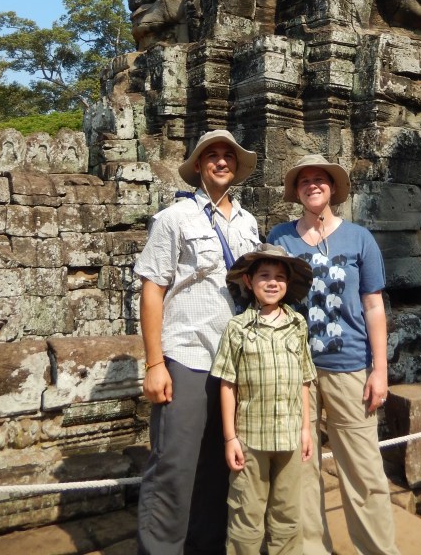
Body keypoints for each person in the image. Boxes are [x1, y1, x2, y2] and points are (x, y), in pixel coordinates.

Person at [135, 129, 260, 555]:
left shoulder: (248, 223)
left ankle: (205, 547)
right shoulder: (174, 219)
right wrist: (155, 364)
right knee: (174, 464)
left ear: (237, 167)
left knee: (218, 467)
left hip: (234, 364)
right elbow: (152, 287)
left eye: (229, 155)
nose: (222, 161)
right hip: (187, 356)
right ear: (199, 165)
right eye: (213, 155)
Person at [268, 154, 400, 555]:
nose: (312, 185)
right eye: (304, 180)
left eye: (320, 179)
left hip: (349, 367)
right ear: (296, 191)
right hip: (295, 370)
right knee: (300, 472)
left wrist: (380, 370)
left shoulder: (359, 238)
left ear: (333, 188)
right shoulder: (280, 238)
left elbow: (374, 305)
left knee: (364, 471)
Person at [211, 243, 316, 555]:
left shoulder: (298, 325)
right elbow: (227, 383)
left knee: (287, 515)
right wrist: (230, 438)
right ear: (249, 281)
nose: (273, 283)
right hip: (251, 438)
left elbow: (304, 380)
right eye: (265, 276)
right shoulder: (237, 328)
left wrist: (306, 429)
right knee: (246, 515)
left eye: (280, 277)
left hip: (290, 437)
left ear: (288, 284)